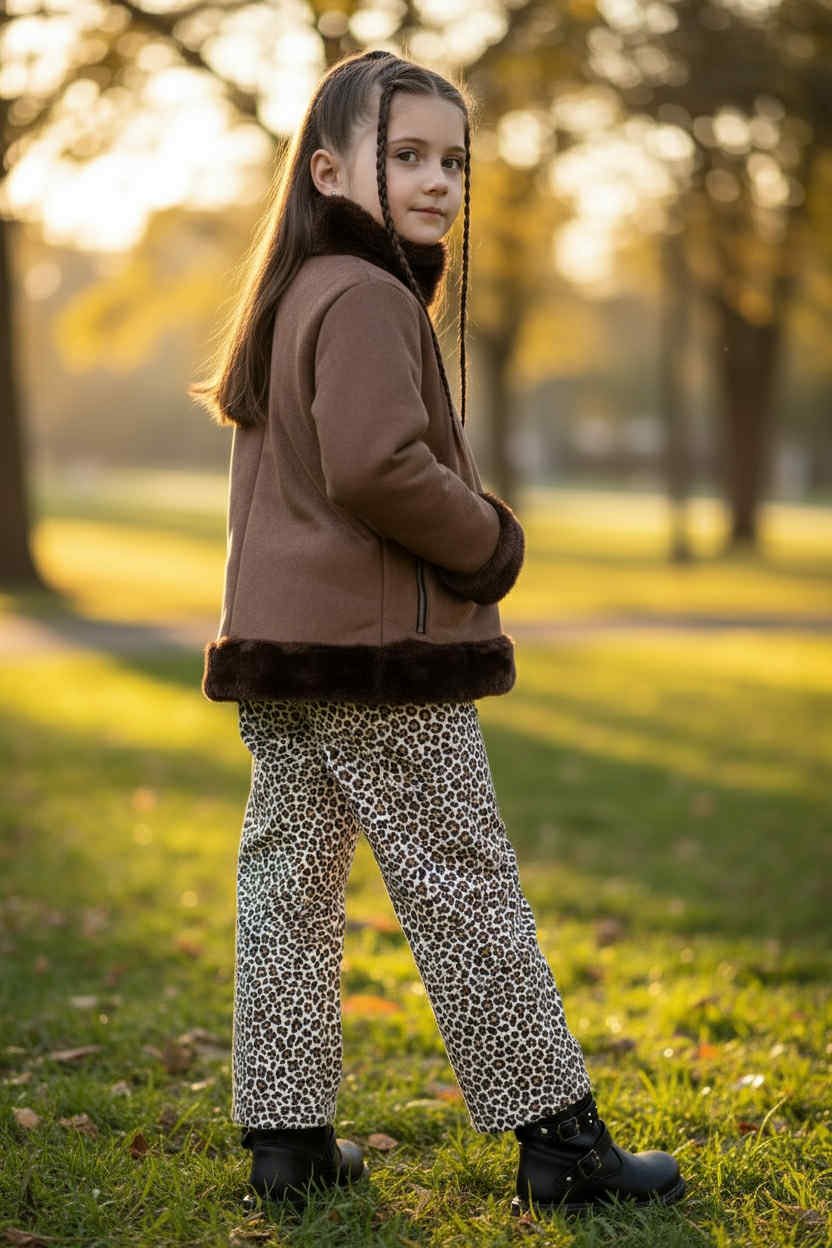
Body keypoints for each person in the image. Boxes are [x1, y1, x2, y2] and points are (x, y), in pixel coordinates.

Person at [188, 48, 686, 1218]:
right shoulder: (366, 296)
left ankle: (286, 1141)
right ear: (327, 172)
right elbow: (376, 467)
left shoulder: (295, 291)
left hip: (286, 655)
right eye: (405, 155)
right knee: (463, 885)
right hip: (377, 659)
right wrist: (488, 542)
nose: (437, 181)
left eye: (453, 161)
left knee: (288, 887)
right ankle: (561, 1145)